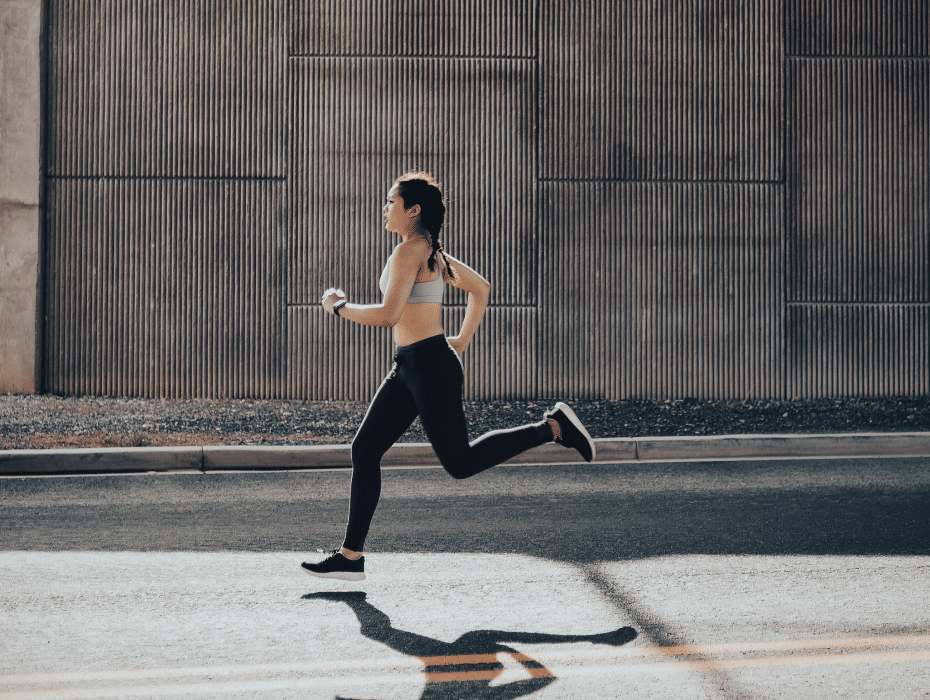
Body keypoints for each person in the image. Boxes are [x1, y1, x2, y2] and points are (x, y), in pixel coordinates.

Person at [303, 171, 595, 581]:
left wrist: (338, 306)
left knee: (460, 462)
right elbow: (482, 289)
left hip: (429, 367)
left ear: (413, 209)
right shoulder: (430, 253)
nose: (385, 208)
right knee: (365, 448)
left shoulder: (411, 251)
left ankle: (553, 427)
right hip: (411, 366)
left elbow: (388, 315)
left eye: (392, 202)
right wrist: (461, 339)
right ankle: (351, 557)